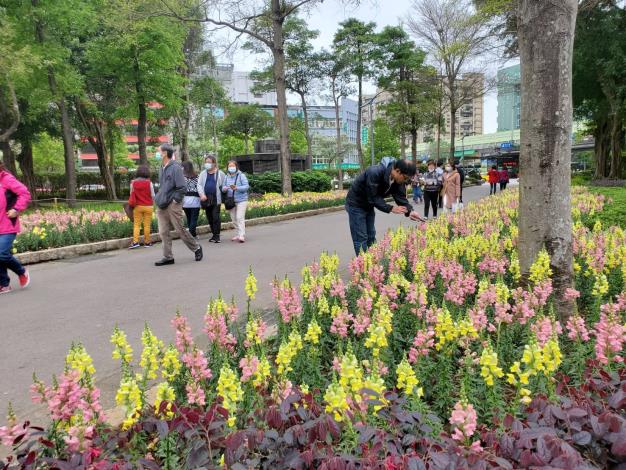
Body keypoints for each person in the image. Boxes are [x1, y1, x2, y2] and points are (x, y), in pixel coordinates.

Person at [345, 158, 424, 255]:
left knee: (371, 235)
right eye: (405, 178)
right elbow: (373, 197)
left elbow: (400, 196)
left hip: (368, 205)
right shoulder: (374, 172)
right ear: (397, 171)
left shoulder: (397, 179)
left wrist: (410, 211)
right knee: (361, 238)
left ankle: (373, 262)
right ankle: (363, 266)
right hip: (356, 204)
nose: (406, 181)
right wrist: (391, 208)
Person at [153, 143, 203, 266]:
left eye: (159, 151)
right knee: (163, 232)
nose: (157, 153)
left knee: (180, 229)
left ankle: (196, 248)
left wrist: (175, 200)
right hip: (162, 203)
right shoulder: (161, 167)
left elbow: (182, 187)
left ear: (165, 153)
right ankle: (168, 257)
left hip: (173, 204)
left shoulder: (175, 167)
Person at [0, 161, 31, 294]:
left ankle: (21, 271)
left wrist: (16, 209)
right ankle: (4, 284)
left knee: (1, 253)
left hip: (7, 224)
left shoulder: (7, 179)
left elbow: (25, 194)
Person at [197, 154, 226, 243]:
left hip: (216, 198)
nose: (207, 164)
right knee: (209, 217)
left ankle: (217, 235)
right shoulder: (203, 173)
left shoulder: (220, 173)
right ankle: (213, 234)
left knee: (215, 216)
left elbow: (224, 184)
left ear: (214, 163)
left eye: (209, 162)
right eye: (206, 162)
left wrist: (225, 188)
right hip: (206, 199)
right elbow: (199, 185)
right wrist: (201, 194)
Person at [221, 160, 249, 243]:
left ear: (236, 167)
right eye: (230, 166)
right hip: (231, 201)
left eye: (233, 166)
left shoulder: (241, 175)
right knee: (233, 219)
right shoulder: (226, 177)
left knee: (239, 217)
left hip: (241, 200)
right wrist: (225, 188)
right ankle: (238, 233)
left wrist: (237, 188)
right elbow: (223, 188)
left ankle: (241, 235)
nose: (231, 167)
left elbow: (246, 187)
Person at [128, 164, 155, 249]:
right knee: (147, 225)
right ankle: (147, 242)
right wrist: (152, 203)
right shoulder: (149, 183)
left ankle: (135, 242)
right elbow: (153, 195)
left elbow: (131, 194)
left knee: (136, 225)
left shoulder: (133, 183)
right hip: (148, 206)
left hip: (137, 206)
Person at [181, 161, 200, 239]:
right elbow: (199, 188)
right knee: (194, 218)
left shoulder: (182, 178)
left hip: (185, 201)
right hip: (195, 200)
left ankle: (193, 234)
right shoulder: (197, 177)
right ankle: (192, 234)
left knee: (189, 218)